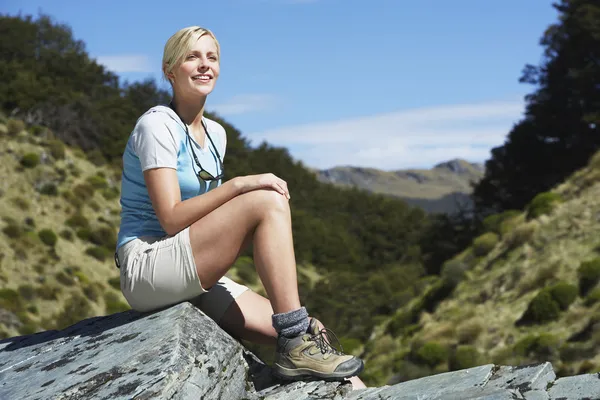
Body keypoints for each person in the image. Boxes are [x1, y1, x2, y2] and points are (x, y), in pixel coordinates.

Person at [114, 26, 366, 387]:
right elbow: (170, 219)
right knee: (266, 200)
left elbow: (209, 220)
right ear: (170, 70)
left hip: (189, 268)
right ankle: (294, 345)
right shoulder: (156, 125)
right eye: (192, 57)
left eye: (211, 58)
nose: (204, 66)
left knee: (314, 331)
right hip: (148, 265)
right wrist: (238, 186)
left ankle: (348, 382)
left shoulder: (217, 135)